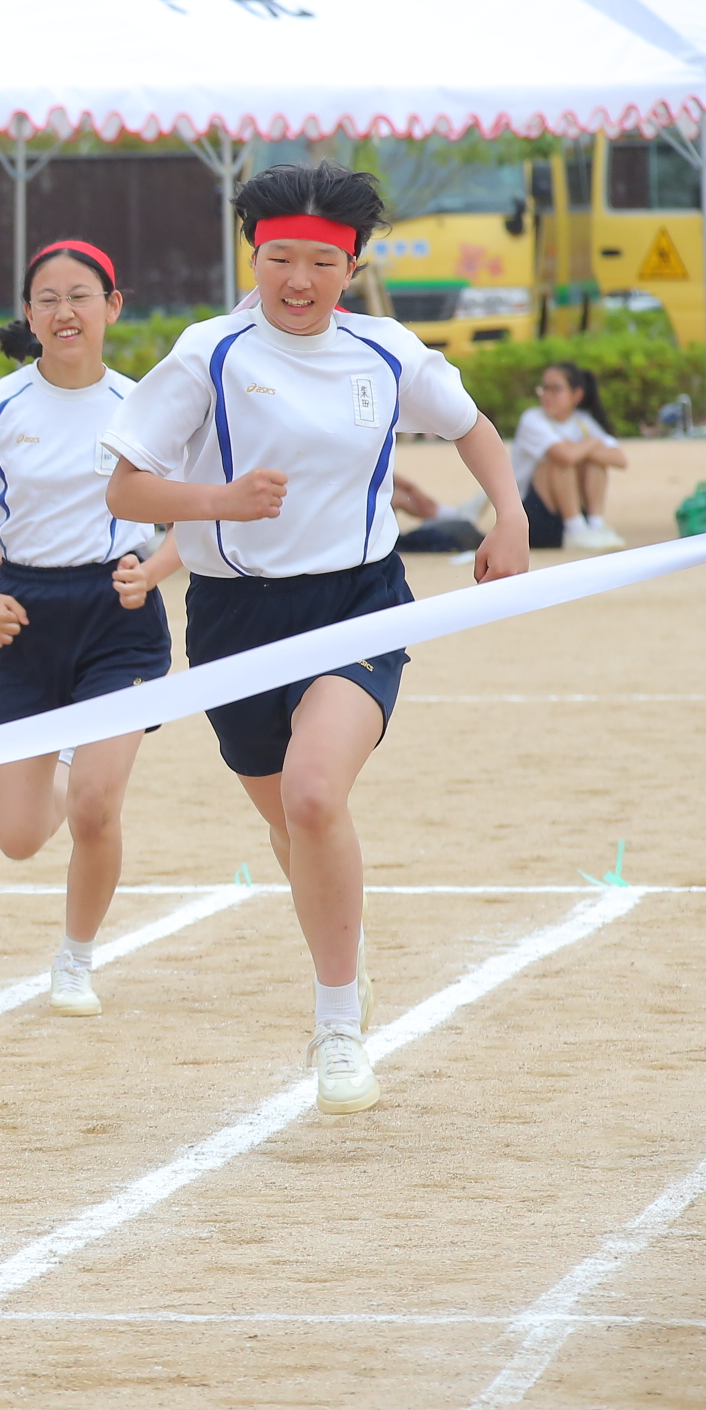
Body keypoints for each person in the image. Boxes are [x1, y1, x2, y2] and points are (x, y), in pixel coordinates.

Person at [103, 161, 527, 1116]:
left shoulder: (385, 350)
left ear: (353, 266)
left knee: (313, 793)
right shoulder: (208, 353)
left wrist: (509, 515)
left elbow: (472, 427)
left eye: (323, 263)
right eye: (280, 259)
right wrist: (219, 500)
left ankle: (338, 1027)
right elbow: (126, 485)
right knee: (287, 823)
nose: (299, 281)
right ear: (252, 257)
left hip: (358, 604)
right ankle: (348, 957)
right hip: (234, 620)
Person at [0, 238, 179, 1015]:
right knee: (19, 836)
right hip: (20, 617)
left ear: (112, 307)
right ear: (28, 315)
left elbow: (201, 508)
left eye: (81, 296)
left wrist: (154, 570)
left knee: (95, 806)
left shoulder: (144, 406)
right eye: (49, 299)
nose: (66, 312)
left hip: (119, 617)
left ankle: (76, 959)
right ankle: (69, 747)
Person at [512, 361, 627, 552]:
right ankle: (575, 529)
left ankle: (595, 524)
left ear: (577, 394)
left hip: (571, 508)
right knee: (558, 460)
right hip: (533, 514)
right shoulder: (532, 419)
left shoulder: (582, 421)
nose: (547, 395)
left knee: (594, 461)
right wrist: (591, 443)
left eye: (556, 389)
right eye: (544, 388)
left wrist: (585, 448)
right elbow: (566, 456)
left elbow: (620, 460)